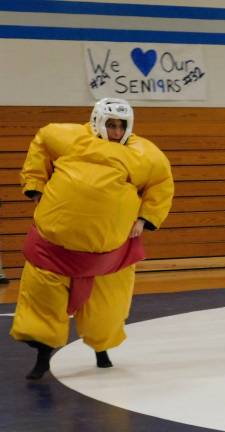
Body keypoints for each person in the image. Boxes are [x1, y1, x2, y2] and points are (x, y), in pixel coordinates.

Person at [10, 98, 174, 380]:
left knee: (106, 315)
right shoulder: (68, 137)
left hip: (110, 254)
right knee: (43, 310)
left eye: (121, 125)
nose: (116, 130)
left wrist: (145, 219)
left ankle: (102, 351)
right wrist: (35, 185)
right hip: (54, 249)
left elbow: (161, 185)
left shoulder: (145, 154)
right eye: (110, 124)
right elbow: (41, 143)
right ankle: (42, 358)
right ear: (98, 121)